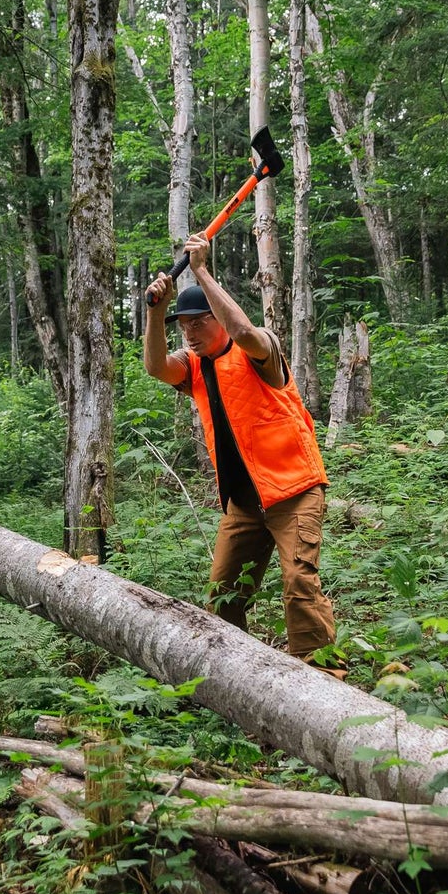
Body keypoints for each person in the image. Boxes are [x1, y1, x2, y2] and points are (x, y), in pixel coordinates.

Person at [143, 231, 337, 659]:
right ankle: (236, 675)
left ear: (216, 317)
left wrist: (201, 271)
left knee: (300, 586)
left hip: (294, 491)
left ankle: (325, 679)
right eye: (185, 325)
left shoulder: (258, 348)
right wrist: (156, 313)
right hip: (244, 503)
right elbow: (156, 366)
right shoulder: (194, 366)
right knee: (222, 596)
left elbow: (242, 328)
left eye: (199, 322)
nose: (190, 332)